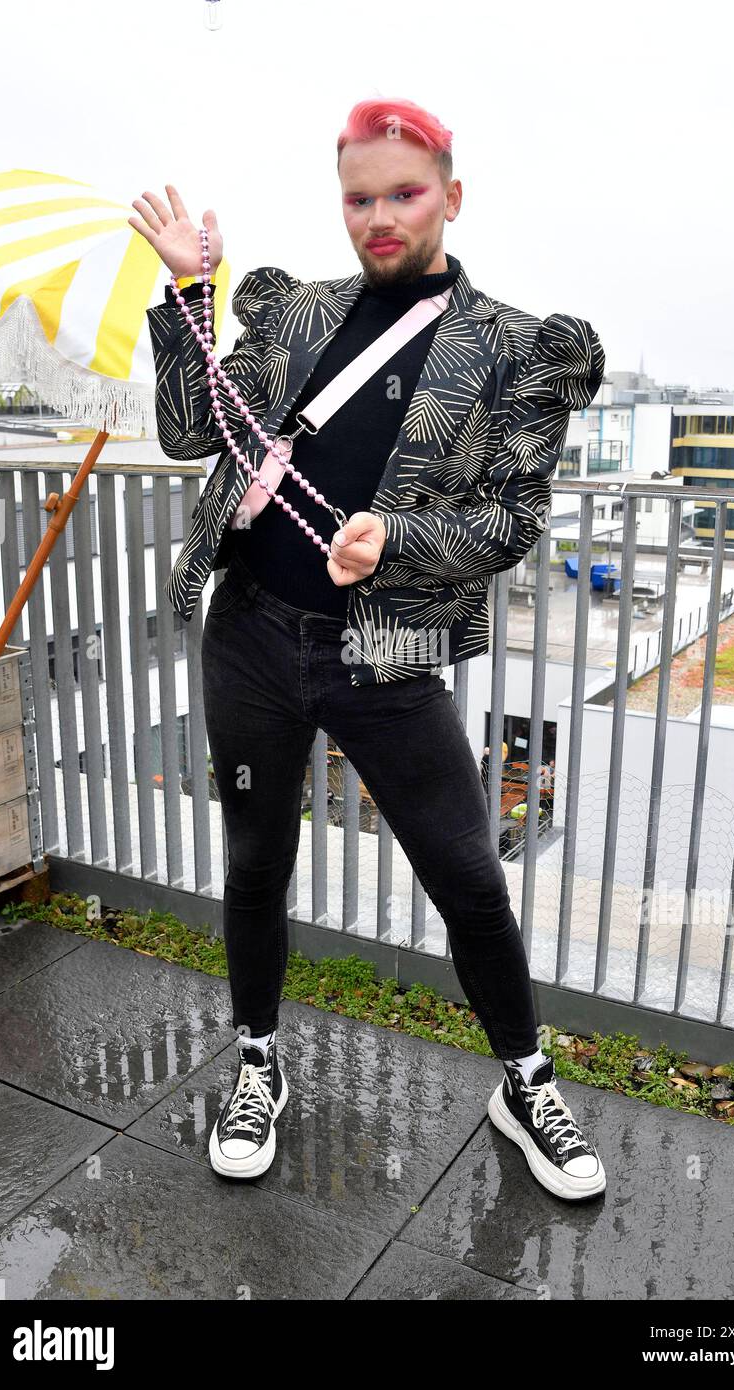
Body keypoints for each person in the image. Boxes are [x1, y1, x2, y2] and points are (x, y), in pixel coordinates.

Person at [131, 97, 606, 1202]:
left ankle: (524, 1079)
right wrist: (187, 295)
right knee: (255, 862)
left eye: (404, 193)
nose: (379, 217)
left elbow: (508, 522)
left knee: (468, 877)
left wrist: (395, 539)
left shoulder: (515, 349)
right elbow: (191, 431)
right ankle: (257, 1062)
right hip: (249, 634)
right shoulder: (295, 312)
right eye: (359, 197)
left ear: (451, 193)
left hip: (385, 657)